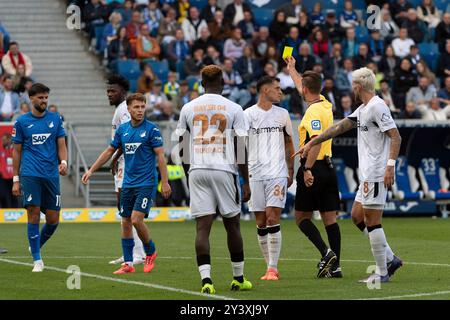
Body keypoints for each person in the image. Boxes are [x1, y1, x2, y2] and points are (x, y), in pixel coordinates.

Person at [297, 67, 404, 283]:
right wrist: (313, 142)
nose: (351, 88)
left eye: (352, 84)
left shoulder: (377, 107)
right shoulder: (363, 109)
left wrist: (390, 166)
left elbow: (396, 137)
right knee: (357, 215)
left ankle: (382, 272)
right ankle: (391, 259)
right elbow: (340, 127)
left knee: (372, 221)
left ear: (357, 86)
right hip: (367, 174)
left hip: (375, 172)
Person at [176, 65, 252, 294]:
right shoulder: (234, 108)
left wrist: (190, 171)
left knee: (202, 228)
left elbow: (182, 147)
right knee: (233, 225)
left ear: (201, 83)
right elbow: (240, 146)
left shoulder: (188, 107)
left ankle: (206, 281)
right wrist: (245, 179)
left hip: (198, 169)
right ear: (223, 82)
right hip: (224, 169)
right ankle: (238, 278)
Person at [82, 93, 171, 274]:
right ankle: (128, 264)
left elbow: (161, 156)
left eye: (142, 107)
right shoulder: (123, 130)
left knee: (136, 220)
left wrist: (165, 181)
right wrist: (91, 170)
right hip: (128, 182)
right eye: (136, 107)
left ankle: (150, 251)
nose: (140, 110)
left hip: (146, 182)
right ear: (128, 109)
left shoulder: (152, 130)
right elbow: (109, 151)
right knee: (125, 221)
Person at [285, 56, 343, 278]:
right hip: (329, 168)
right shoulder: (325, 103)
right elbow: (304, 86)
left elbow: (316, 142)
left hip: (314, 166)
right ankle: (336, 266)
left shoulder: (312, 113)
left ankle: (326, 253)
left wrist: (307, 169)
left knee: (301, 218)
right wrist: (293, 69)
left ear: (306, 90)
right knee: (330, 219)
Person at [11, 83, 68, 272]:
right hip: (30, 174)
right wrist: (16, 179)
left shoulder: (55, 119)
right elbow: (16, 151)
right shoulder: (21, 122)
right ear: (31, 99)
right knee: (33, 214)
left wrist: (64, 162)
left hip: (51, 175)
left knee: (53, 220)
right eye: (41, 98)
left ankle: (35, 245)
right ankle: (37, 259)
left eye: (46, 97)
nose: (44, 101)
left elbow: (61, 144)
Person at [244, 76, 294, 281]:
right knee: (261, 221)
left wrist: (290, 169)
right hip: (255, 173)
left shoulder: (283, 114)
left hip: (277, 173)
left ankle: (273, 268)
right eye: (277, 88)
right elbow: (239, 146)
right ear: (264, 90)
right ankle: (268, 266)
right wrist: (243, 177)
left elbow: (289, 142)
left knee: (272, 217)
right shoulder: (247, 115)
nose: (280, 92)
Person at [105, 75, 146, 266]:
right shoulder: (120, 111)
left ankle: (139, 253)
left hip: (126, 166)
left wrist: (116, 158)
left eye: (113, 91)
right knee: (123, 210)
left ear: (123, 92)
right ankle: (130, 252)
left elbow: (130, 136)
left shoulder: (124, 111)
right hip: (121, 164)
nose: (109, 94)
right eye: (108, 91)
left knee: (126, 210)